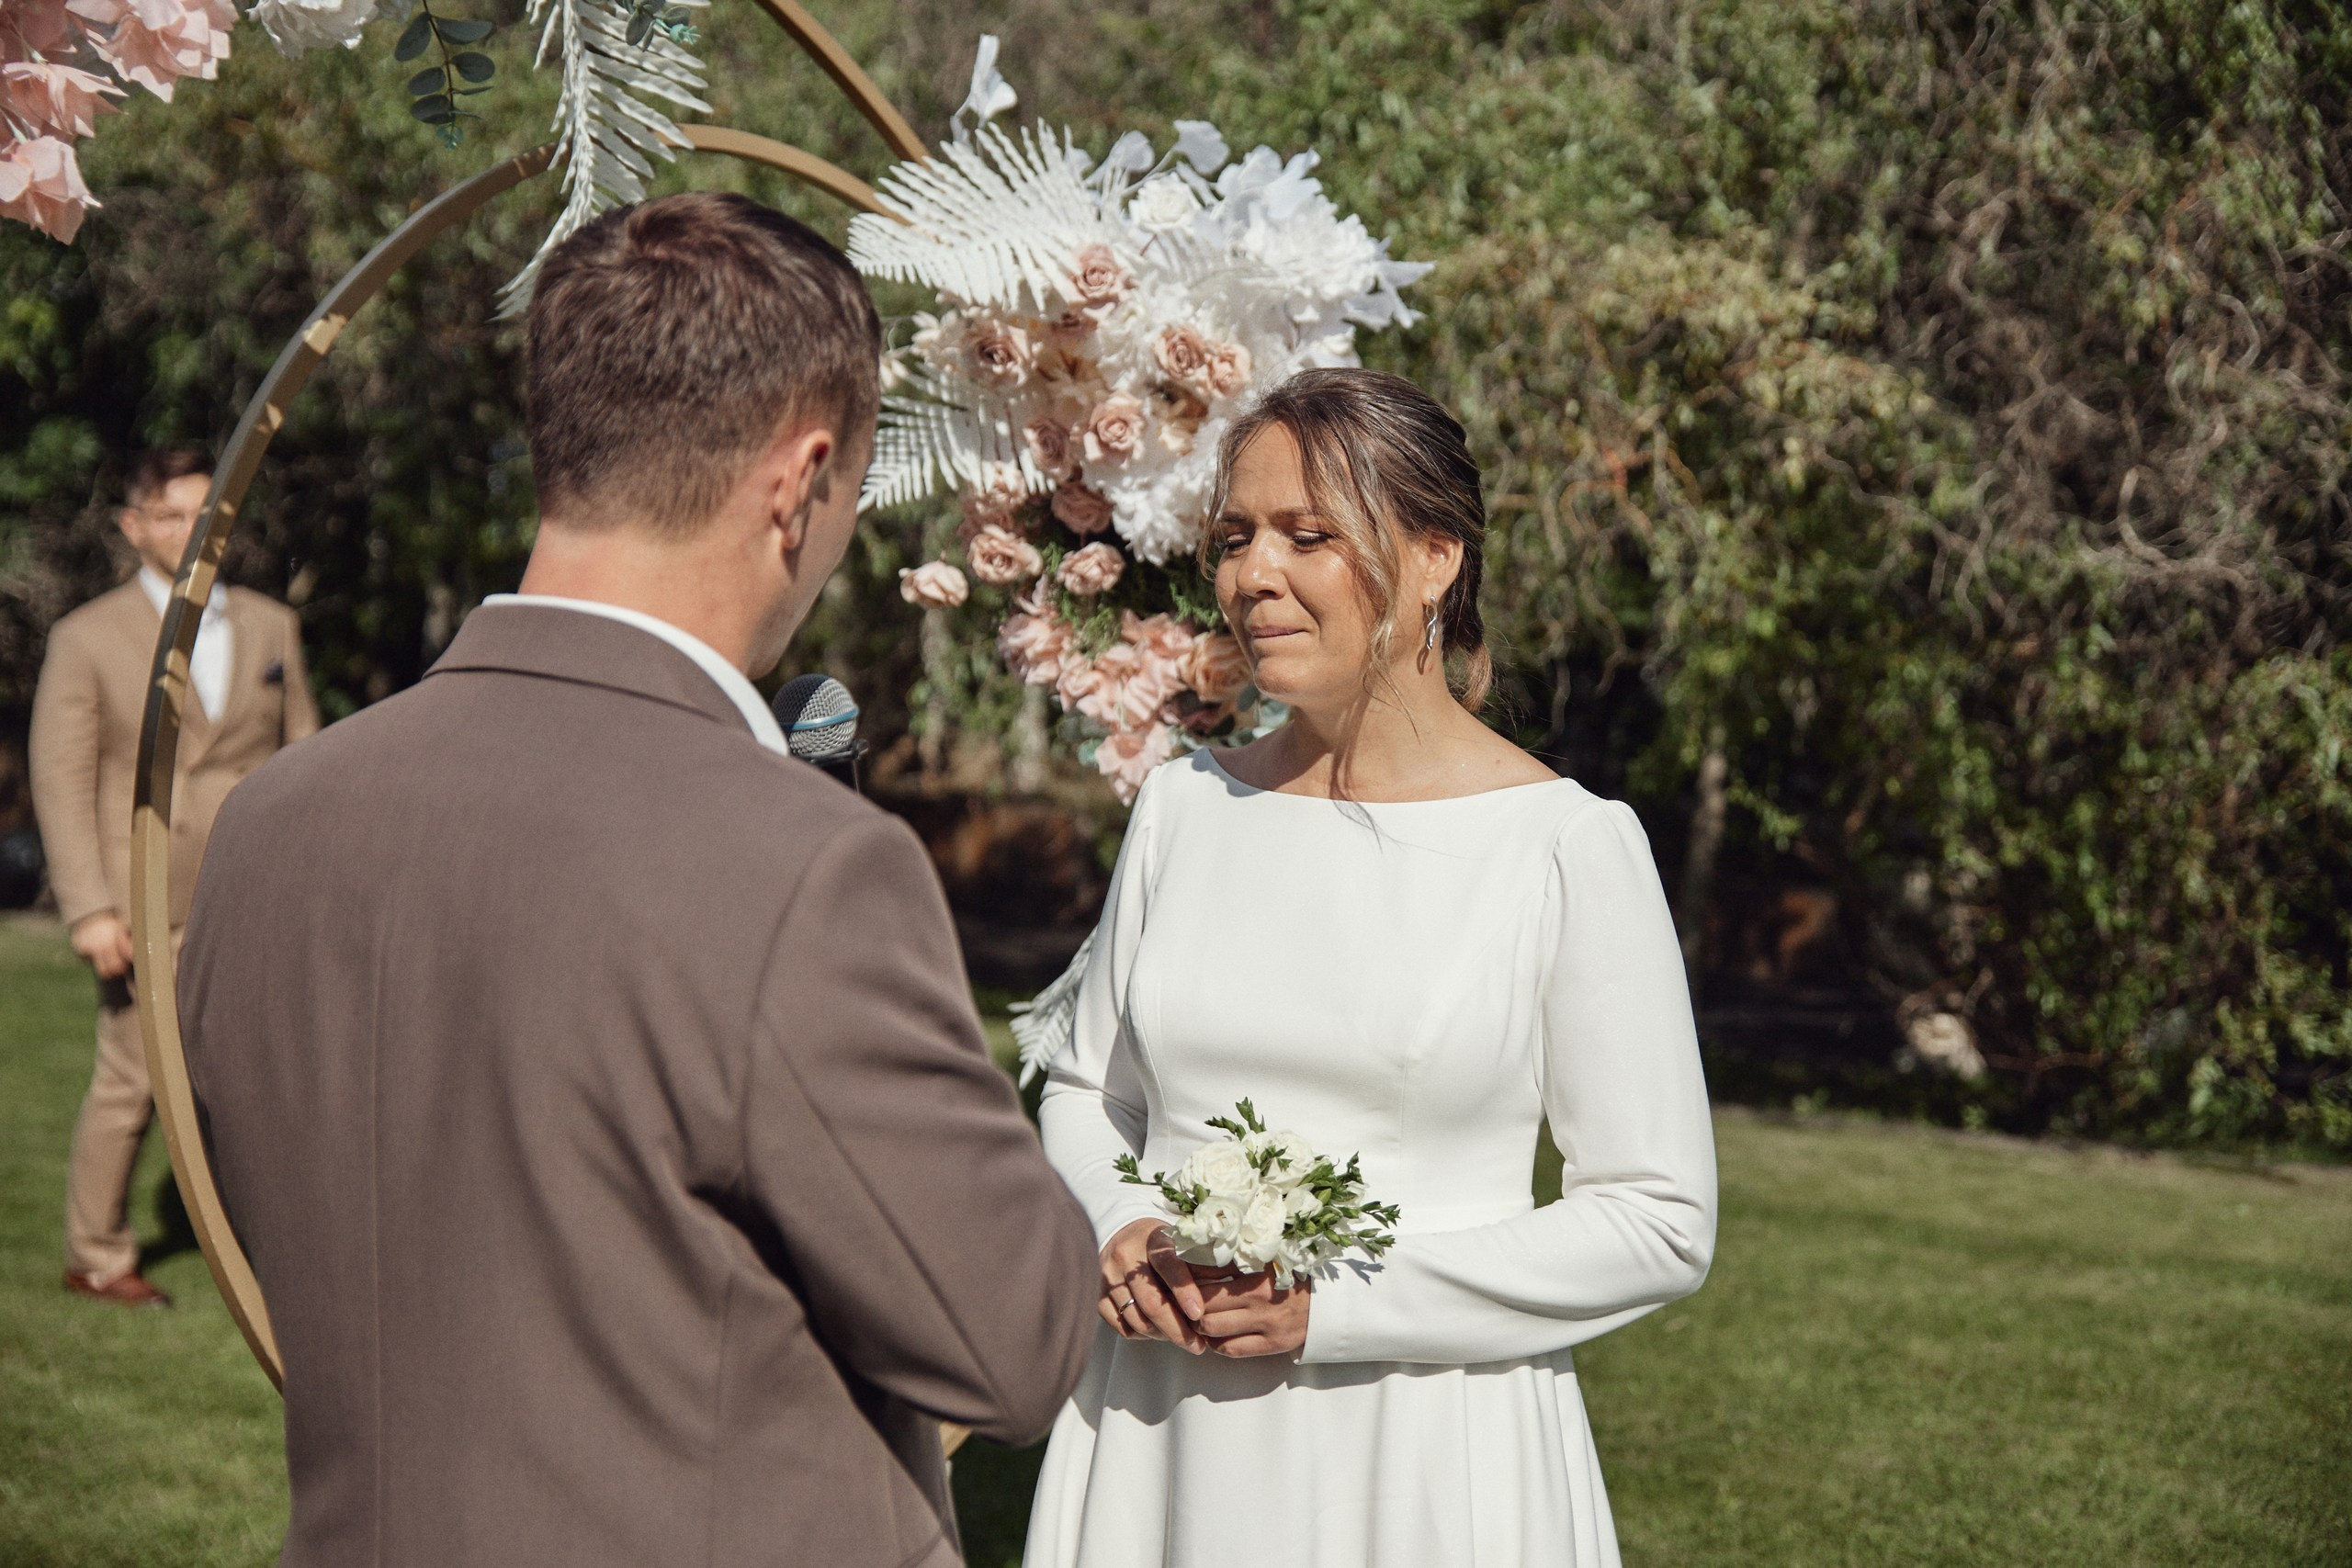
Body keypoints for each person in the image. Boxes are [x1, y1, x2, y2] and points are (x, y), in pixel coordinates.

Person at [178, 193, 1102, 1567]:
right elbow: (1012, 1335)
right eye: (849, 490)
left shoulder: (270, 820)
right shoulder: (798, 864)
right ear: (799, 479)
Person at [1023, 367, 1719, 1567]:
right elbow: (1090, 1086)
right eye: (1234, 536)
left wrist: (1334, 1308)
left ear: (1437, 555)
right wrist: (1122, 1221)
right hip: (1160, 1426)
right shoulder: (1186, 806)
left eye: (1310, 535)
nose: (1253, 574)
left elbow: (1658, 1216)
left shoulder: (1564, 845)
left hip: (1426, 1450)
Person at [28, 446, 319, 1309]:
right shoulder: (86, 636)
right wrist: (88, 909)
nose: (192, 529)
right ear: (132, 526)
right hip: (140, 900)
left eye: (207, 510)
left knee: (254, 1072)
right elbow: (63, 777)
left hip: (254, 893)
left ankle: (256, 1237)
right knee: (134, 1077)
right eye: (169, 514)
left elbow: (303, 754)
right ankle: (98, 1253)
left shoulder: (272, 626)